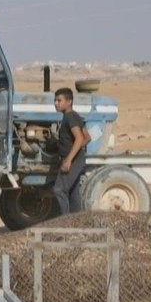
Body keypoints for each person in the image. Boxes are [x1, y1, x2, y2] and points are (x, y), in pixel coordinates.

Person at [52, 87, 89, 215]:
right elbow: (87, 137)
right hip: (77, 159)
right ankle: (75, 223)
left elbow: (79, 138)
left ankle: (65, 222)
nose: (56, 103)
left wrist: (69, 159)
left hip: (72, 161)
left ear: (69, 102)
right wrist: (76, 149)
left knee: (59, 190)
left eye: (59, 100)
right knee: (74, 194)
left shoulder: (70, 118)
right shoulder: (74, 116)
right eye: (55, 100)